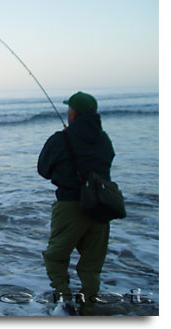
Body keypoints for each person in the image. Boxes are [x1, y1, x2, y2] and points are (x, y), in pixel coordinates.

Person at [37, 91, 115, 316]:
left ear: (74, 113)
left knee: (55, 256)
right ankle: (88, 308)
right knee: (92, 264)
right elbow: (106, 163)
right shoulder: (104, 139)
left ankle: (65, 301)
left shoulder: (60, 139)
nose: (68, 112)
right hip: (101, 206)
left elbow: (43, 170)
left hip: (70, 206)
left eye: (69, 108)